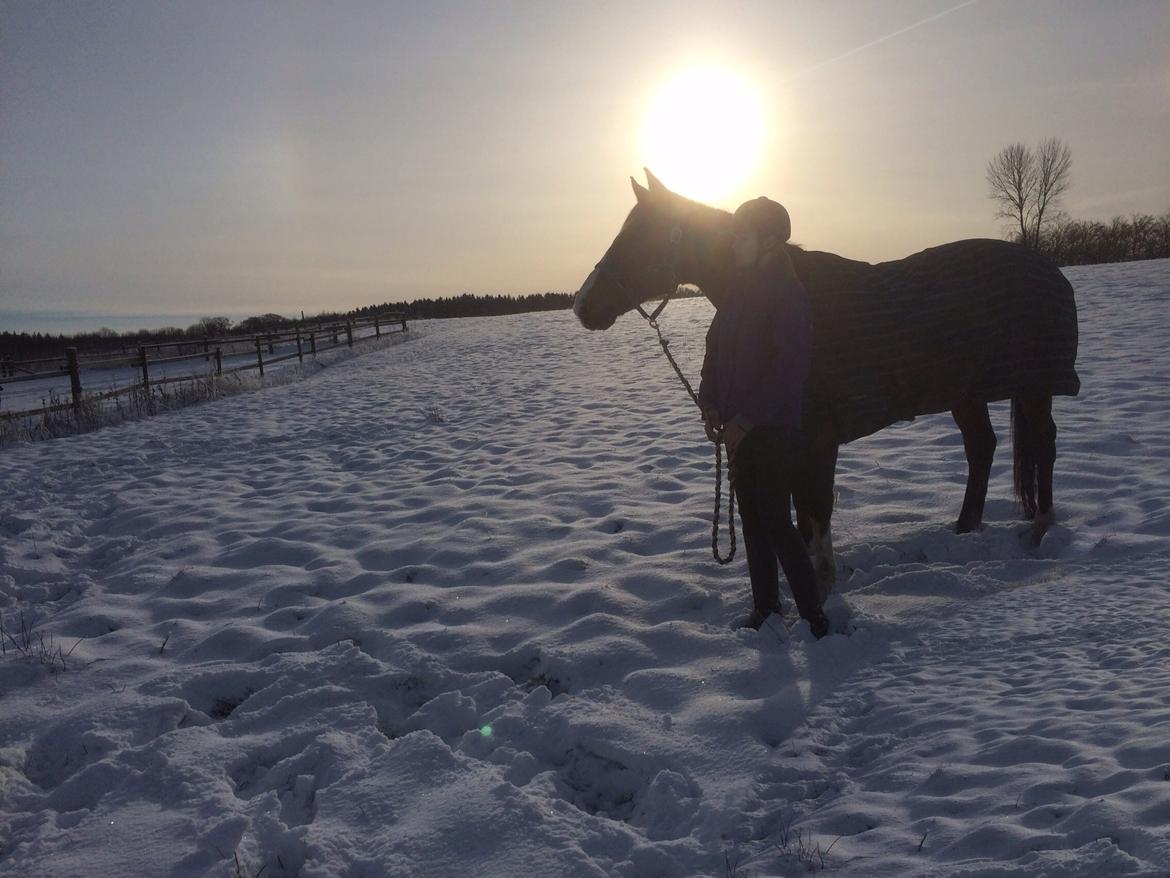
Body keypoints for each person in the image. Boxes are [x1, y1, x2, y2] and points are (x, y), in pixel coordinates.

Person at [697, 197, 830, 638]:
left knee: (776, 522)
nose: (734, 243)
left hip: (771, 432)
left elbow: (789, 370)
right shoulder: (736, 293)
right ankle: (766, 608)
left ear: (769, 242)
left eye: (743, 236)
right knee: (752, 521)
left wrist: (747, 419)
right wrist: (710, 403)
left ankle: (814, 617)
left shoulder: (788, 295)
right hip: (740, 431)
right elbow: (714, 354)